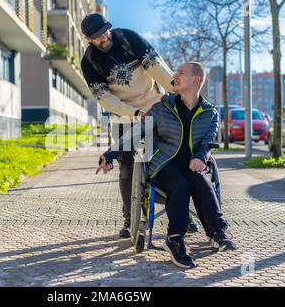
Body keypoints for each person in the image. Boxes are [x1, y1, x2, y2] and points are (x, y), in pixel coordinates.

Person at [96, 62, 237, 269]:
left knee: (200, 178)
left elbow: (207, 142)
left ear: (195, 80)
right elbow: (136, 133)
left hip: (193, 164)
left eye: (181, 73)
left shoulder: (210, 113)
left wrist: (199, 156)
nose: (175, 76)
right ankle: (174, 240)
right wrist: (109, 155)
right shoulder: (162, 108)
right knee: (180, 184)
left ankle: (218, 232)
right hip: (164, 164)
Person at [81, 13, 200, 238]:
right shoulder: (89, 62)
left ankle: (183, 213)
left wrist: (178, 92)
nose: (103, 37)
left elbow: (158, 69)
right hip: (125, 115)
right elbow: (105, 98)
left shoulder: (129, 38)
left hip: (156, 106)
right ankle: (129, 219)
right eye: (97, 36)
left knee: (168, 162)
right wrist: (134, 113)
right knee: (127, 166)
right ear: (89, 39)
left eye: (105, 31)